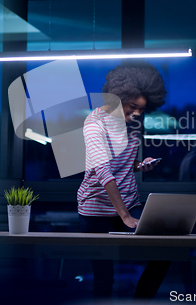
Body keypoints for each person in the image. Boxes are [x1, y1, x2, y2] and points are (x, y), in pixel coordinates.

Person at [77, 63, 170, 303]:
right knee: (104, 276)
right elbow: (104, 173)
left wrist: (140, 164)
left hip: (128, 200)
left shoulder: (133, 123)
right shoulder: (94, 124)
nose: (138, 113)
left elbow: (123, 162)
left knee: (162, 255)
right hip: (96, 208)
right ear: (118, 98)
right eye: (133, 107)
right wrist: (126, 217)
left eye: (142, 108)